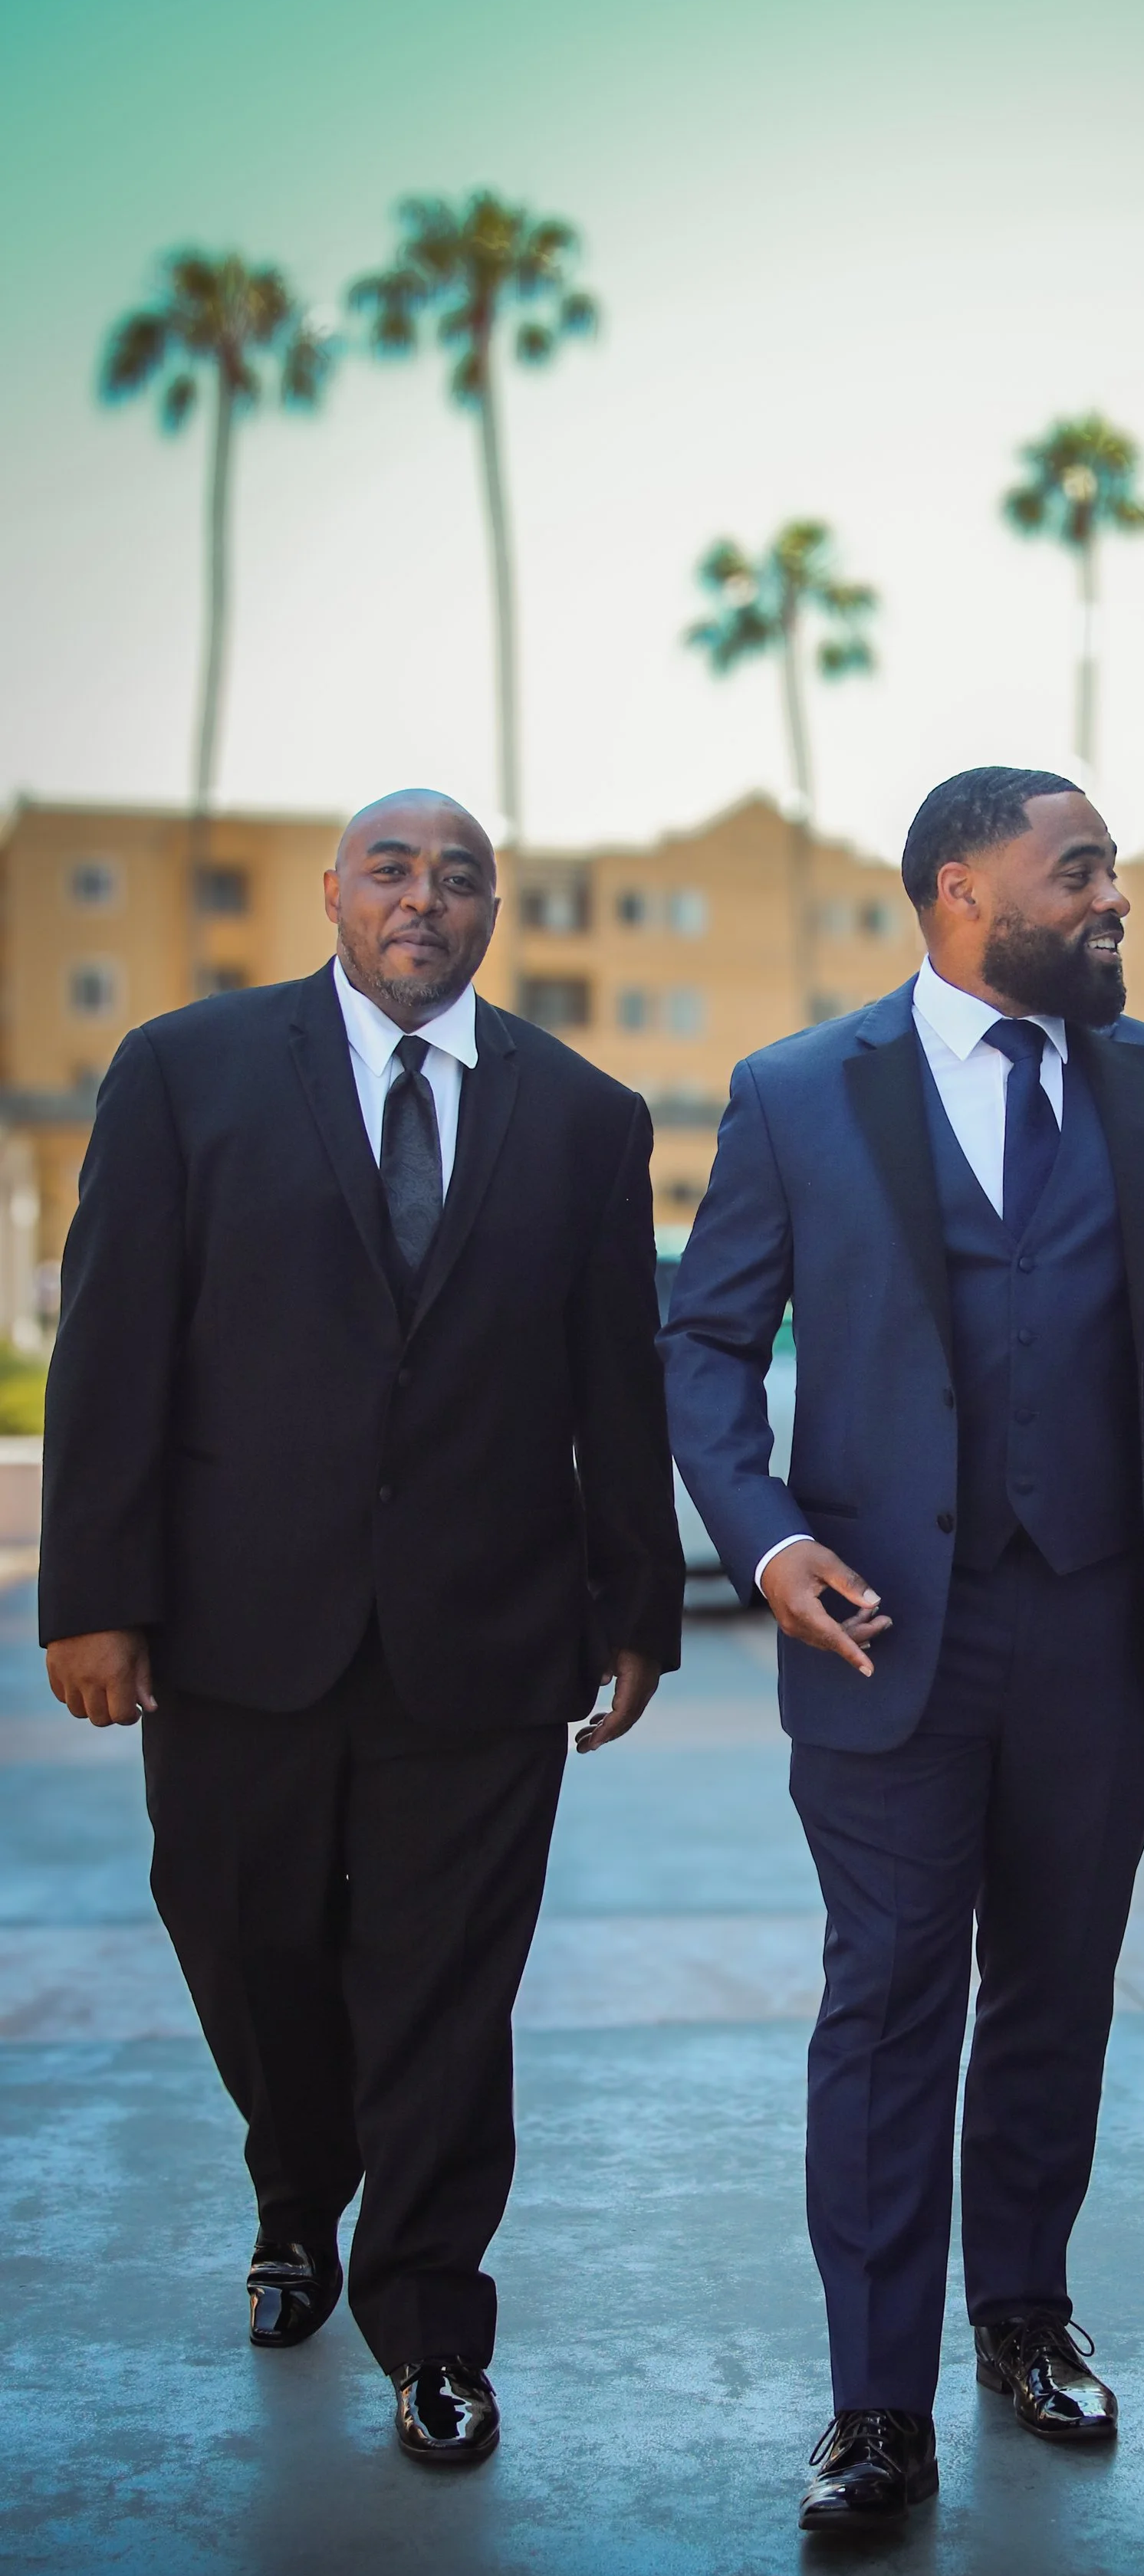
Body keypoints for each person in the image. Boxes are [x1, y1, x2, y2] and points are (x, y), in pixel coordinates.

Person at [663, 764, 1144, 2534]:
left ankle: (1024, 2318)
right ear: (963, 891)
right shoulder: (799, 1094)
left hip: (1101, 1628)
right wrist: (763, 1535)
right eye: (1082, 870)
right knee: (888, 2004)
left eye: (1112, 863)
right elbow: (702, 1346)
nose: (1113, 895)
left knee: (1051, 1990)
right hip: (883, 1629)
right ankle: (872, 2407)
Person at [39, 790, 682, 2468]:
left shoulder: (583, 1116)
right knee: (249, 1950)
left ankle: (431, 2324)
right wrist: (95, 1596)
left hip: (482, 1638)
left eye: (459, 877)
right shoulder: (184, 1074)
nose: (426, 899)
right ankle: (293, 2192)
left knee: (448, 1995)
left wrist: (635, 1607)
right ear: (333, 893)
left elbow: (616, 1382)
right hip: (232, 1632)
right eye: (393, 871)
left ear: (491, 912)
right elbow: (111, 1350)